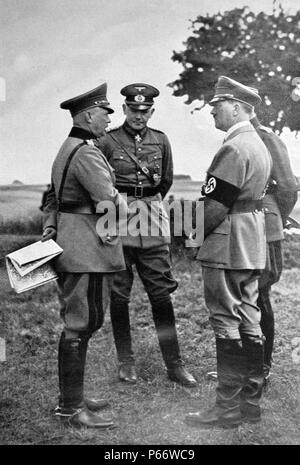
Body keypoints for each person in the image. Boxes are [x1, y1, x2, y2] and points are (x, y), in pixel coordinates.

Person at [185, 76, 272, 428]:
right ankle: (249, 403)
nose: (212, 112)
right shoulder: (259, 144)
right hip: (251, 239)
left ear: (236, 107)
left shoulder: (233, 147)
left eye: (217, 106)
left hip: (227, 241)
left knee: (225, 319)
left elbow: (216, 206)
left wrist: (192, 238)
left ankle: (227, 409)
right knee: (249, 317)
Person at [97, 83, 197, 387]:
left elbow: (164, 181)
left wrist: (147, 203)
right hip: (117, 217)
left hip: (152, 220)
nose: (139, 115)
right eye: (133, 109)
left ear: (151, 111)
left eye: (145, 111)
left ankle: (174, 364)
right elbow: (99, 181)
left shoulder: (161, 140)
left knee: (161, 293)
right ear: (125, 109)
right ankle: (126, 362)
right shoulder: (107, 140)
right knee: (119, 295)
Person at [42, 82, 128, 428]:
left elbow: (52, 199)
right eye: (105, 114)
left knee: (80, 321)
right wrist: (120, 202)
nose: (109, 120)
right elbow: (108, 203)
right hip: (87, 251)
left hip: (72, 245)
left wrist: (51, 228)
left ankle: (73, 399)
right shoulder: (88, 153)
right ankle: (71, 408)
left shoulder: (68, 147)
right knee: (82, 323)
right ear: (89, 114)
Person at [251, 112, 298, 384]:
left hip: (264, 226)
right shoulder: (241, 137)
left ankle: (262, 366)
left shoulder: (266, 138)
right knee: (244, 294)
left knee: (261, 292)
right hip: (244, 224)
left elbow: (289, 186)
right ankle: (247, 364)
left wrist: (275, 215)